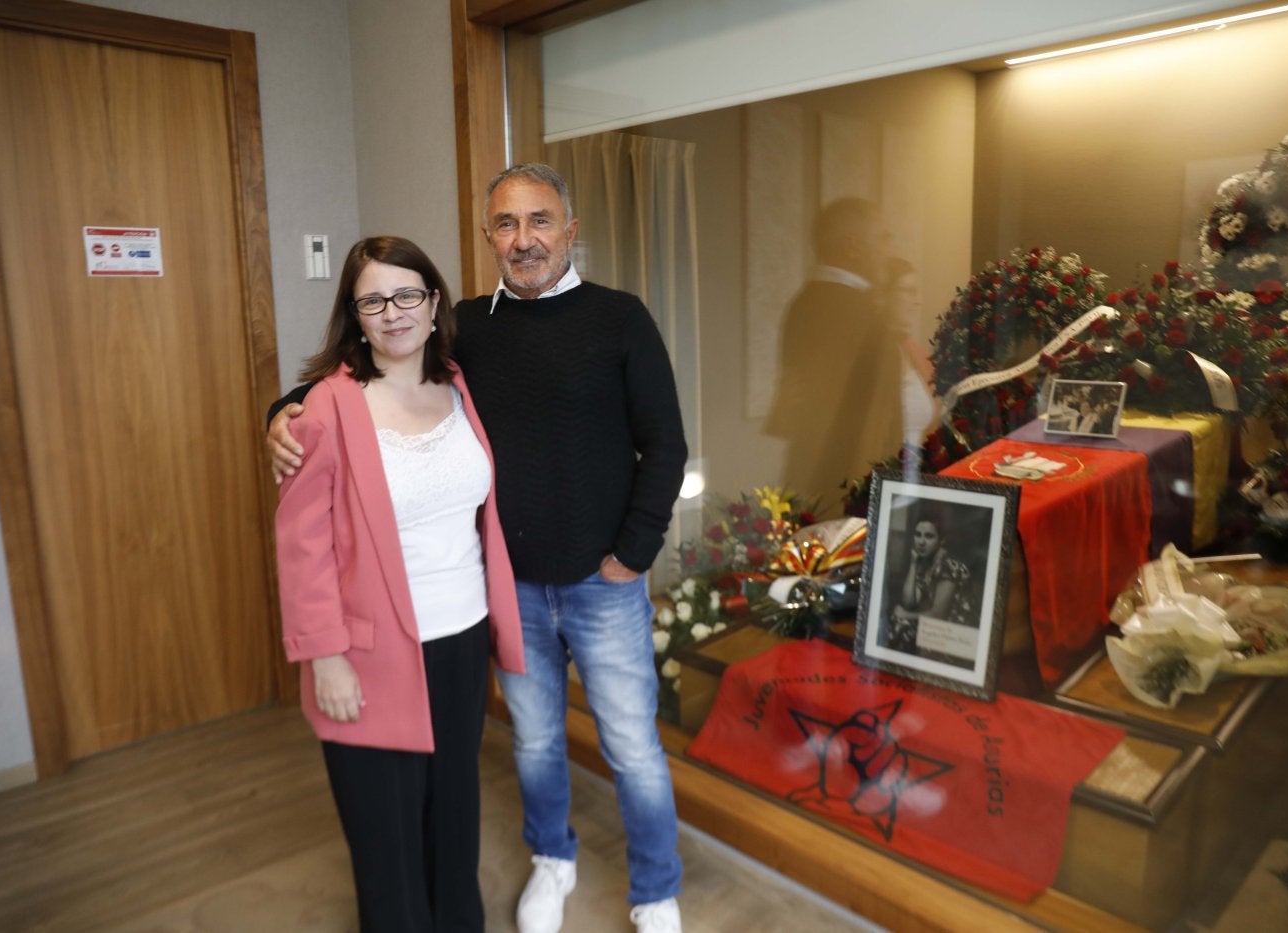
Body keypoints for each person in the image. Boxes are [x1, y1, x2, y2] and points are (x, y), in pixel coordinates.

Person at [268, 164, 688, 933]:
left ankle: (657, 890)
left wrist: (633, 551)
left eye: (539, 221)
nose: (523, 239)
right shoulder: (466, 327)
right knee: (532, 743)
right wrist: (284, 409)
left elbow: (664, 444)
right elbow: (371, 369)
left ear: (570, 228)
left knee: (631, 745)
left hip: (604, 582)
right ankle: (552, 861)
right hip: (509, 590)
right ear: (489, 235)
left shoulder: (621, 318)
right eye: (506, 224)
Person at [274, 236, 525, 932]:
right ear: (355, 315)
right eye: (373, 300)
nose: (393, 312)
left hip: (461, 639)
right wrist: (325, 656)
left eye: (407, 293)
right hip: (369, 650)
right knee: (385, 837)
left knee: (453, 813)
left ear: (434, 300)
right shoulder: (327, 407)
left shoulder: (457, 382)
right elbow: (302, 544)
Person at [765, 197, 908, 503]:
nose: (889, 252)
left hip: (823, 487)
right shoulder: (849, 311)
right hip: (846, 494)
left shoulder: (807, 303)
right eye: (883, 239)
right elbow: (846, 421)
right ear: (852, 246)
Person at [889, 512, 975, 645]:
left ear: (942, 540)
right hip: (938, 630)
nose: (921, 542)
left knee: (901, 627)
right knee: (896, 623)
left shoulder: (948, 567)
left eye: (929, 536)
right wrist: (913, 563)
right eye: (918, 535)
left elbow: (938, 615)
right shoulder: (926, 564)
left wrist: (905, 615)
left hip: (957, 635)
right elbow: (908, 603)